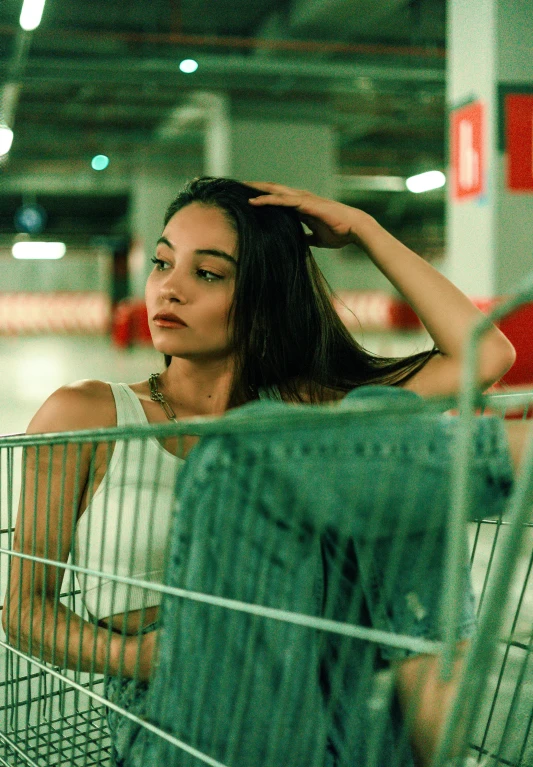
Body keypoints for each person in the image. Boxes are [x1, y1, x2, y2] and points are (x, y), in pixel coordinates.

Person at [2, 177, 526, 767]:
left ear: (264, 295)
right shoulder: (88, 414)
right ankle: (512, 454)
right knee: (241, 461)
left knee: (378, 418)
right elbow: (23, 608)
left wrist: (364, 229)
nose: (168, 290)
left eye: (208, 274)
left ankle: (439, 750)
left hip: (319, 697)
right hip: (176, 714)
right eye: (162, 263)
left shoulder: (302, 411)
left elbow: (484, 355)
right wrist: (150, 657)